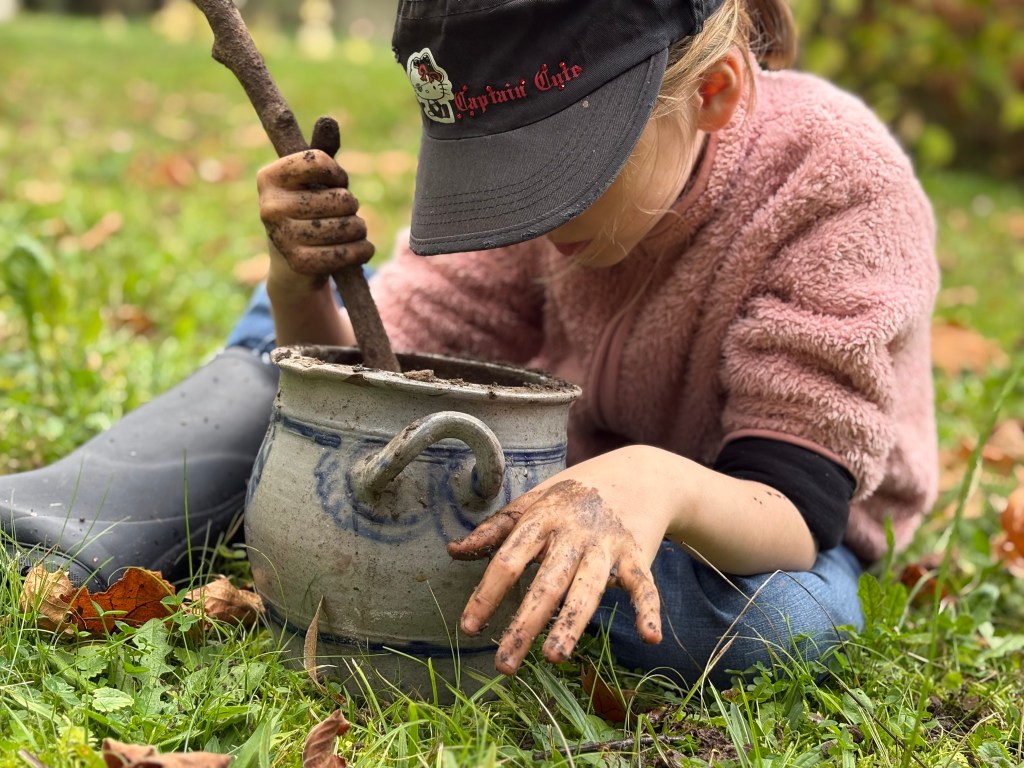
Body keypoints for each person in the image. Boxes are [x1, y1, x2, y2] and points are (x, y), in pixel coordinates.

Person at [3, 0, 938, 688]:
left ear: (716, 94)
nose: (524, 210)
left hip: (742, 516)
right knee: (279, 363)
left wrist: (654, 480)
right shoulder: (540, 212)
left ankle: (385, 557)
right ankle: (63, 523)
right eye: (499, 170)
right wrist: (300, 286)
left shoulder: (832, 186)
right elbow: (373, 383)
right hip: (542, 456)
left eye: (554, 173)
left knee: (783, 624)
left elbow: (797, 512)